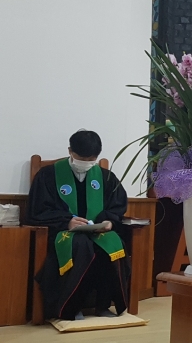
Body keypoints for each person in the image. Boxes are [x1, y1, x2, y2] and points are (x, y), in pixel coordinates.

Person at [29, 130, 130, 320]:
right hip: (62, 231)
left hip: (97, 230)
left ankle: (103, 305)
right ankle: (71, 308)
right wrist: (66, 221)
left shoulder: (106, 177)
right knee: (81, 245)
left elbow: (117, 207)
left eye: (91, 159)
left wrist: (108, 221)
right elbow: (39, 210)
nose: (86, 163)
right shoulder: (48, 175)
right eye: (82, 158)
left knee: (112, 245)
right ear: (70, 151)